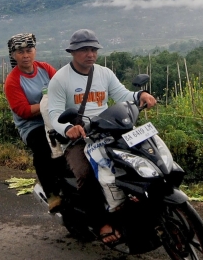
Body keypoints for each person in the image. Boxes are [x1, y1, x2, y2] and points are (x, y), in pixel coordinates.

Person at [47, 29, 157, 244]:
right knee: (87, 174)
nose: (90, 54)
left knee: (143, 159)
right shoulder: (60, 79)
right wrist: (68, 128)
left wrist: (140, 95)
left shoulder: (104, 73)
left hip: (109, 131)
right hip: (79, 139)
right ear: (73, 52)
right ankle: (101, 223)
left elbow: (122, 95)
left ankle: (144, 210)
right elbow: (54, 113)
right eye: (84, 50)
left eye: (93, 49)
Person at [3, 32, 62, 211]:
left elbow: (62, 86)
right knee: (44, 148)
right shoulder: (13, 81)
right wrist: (46, 104)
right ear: (14, 55)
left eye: (29, 50)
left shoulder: (45, 69)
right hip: (32, 125)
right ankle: (52, 194)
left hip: (54, 118)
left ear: (35, 51)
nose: (26, 55)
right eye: (20, 52)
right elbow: (23, 111)